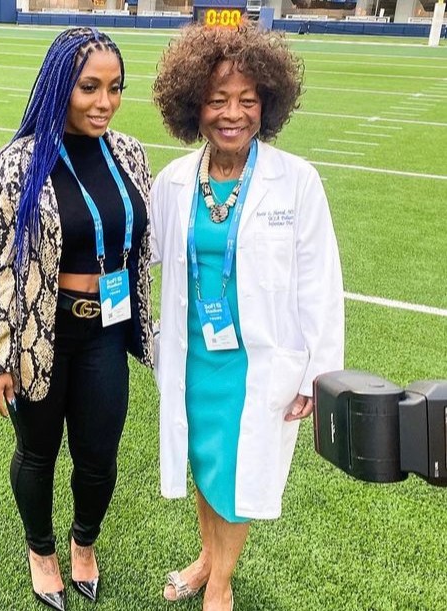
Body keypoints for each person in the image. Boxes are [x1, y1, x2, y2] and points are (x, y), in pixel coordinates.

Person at [150, 23, 344, 611]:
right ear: (194, 106)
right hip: (195, 354)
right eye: (217, 100)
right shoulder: (174, 181)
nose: (232, 114)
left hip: (259, 360)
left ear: (268, 104)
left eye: (247, 100)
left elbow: (321, 282)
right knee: (206, 462)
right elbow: (140, 254)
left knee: (239, 472)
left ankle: (220, 583)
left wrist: (319, 372)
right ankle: (207, 558)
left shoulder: (296, 181)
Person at [0, 27, 154, 611]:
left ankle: (84, 542)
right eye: (89, 87)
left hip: (107, 330)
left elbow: (142, 246)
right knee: (38, 452)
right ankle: (42, 552)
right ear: (60, 87)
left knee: (99, 457)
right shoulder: (13, 167)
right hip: (41, 334)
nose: (105, 102)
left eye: (115, 88)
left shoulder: (130, 153)